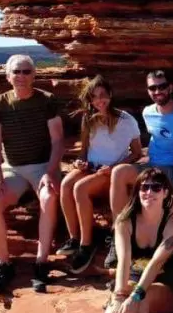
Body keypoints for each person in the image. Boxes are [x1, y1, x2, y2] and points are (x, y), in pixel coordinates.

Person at [0, 54, 64, 293]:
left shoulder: (47, 100)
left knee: (49, 197)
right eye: (16, 72)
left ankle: (41, 263)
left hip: (42, 165)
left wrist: (50, 172)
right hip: (13, 167)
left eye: (26, 72)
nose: (21, 76)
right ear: (8, 76)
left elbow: (58, 141)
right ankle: (4, 264)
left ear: (34, 75)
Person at [107, 70, 173, 268]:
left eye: (162, 86)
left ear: (170, 88)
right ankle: (117, 236)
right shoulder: (147, 112)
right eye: (152, 88)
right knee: (118, 172)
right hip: (152, 166)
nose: (158, 91)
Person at [57, 75, 142, 274]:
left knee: (80, 188)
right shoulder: (88, 118)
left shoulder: (125, 120)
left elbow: (137, 152)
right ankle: (74, 238)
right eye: (94, 97)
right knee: (66, 184)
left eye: (103, 95)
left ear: (110, 95)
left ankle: (87, 245)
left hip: (109, 171)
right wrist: (80, 161)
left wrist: (114, 167)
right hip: (91, 167)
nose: (99, 100)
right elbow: (84, 150)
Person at [99, 168, 173, 313]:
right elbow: (124, 260)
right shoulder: (125, 220)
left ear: (166, 192)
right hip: (133, 281)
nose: (149, 192)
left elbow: (156, 263)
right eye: (144, 187)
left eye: (156, 187)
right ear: (137, 192)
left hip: (165, 286)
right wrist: (119, 297)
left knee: (143, 299)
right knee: (114, 304)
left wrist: (134, 297)